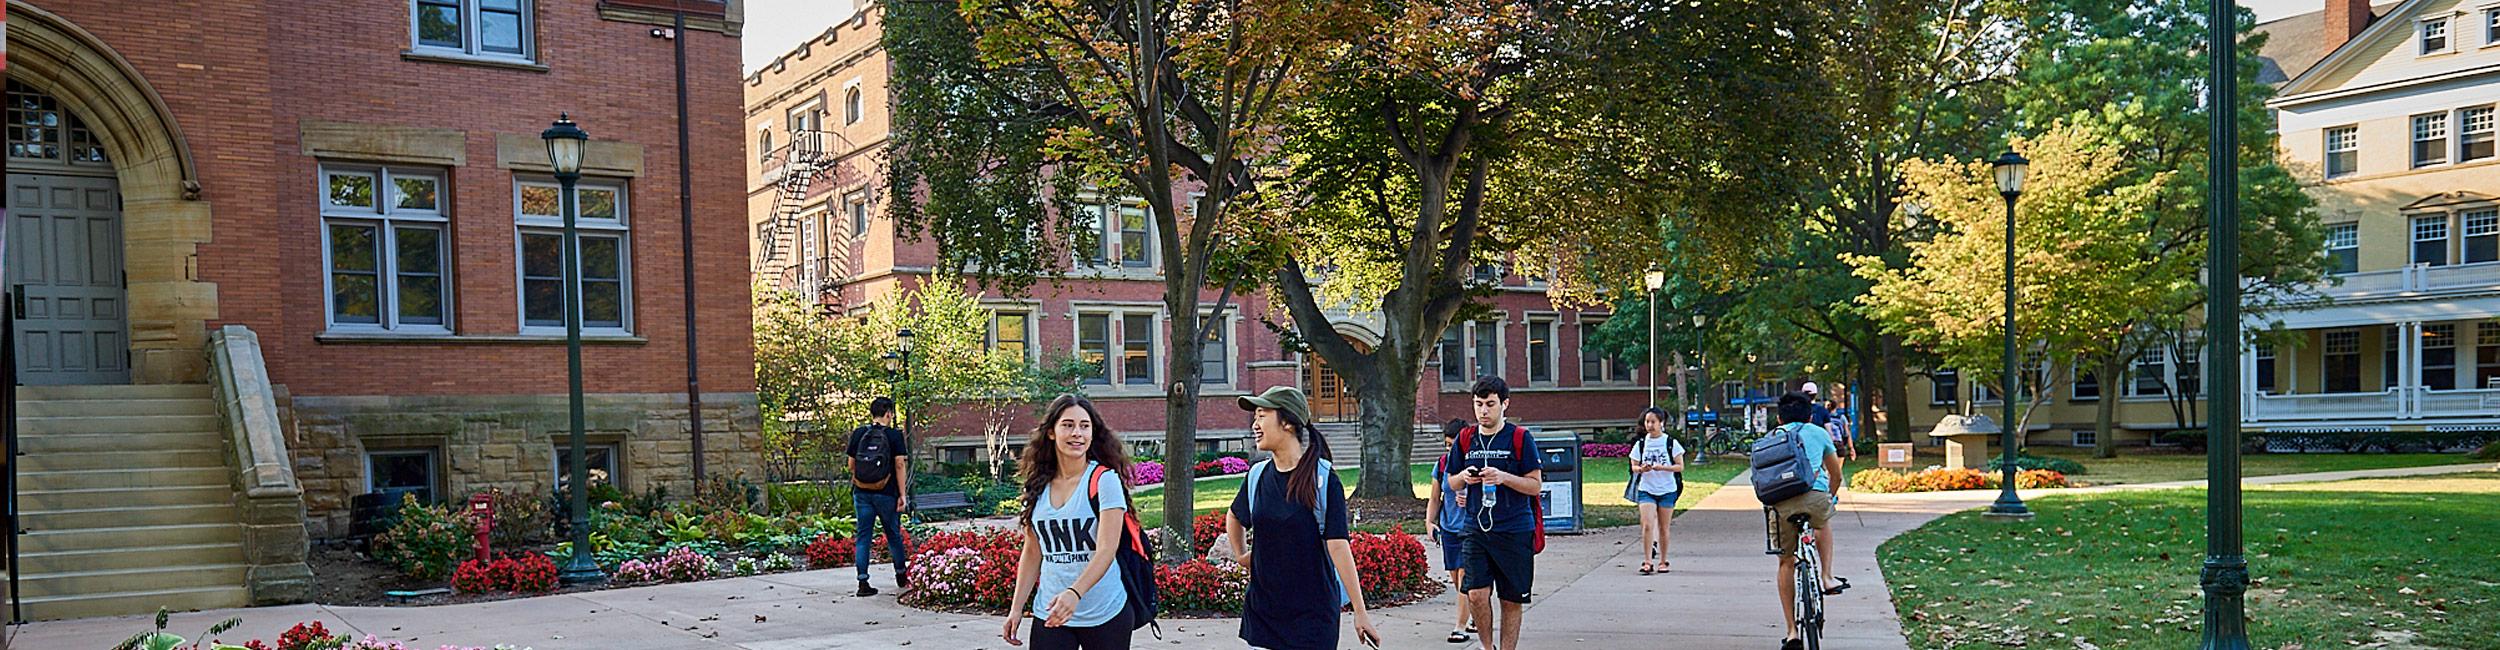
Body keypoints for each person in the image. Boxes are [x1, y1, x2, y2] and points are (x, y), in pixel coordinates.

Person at [1225, 386, 1382, 650]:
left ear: (1287, 422)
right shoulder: (1257, 476)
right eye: (1255, 417)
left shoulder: (1322, 479)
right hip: (1264, 613)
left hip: (1312, 616)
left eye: (1262, 415)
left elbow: (1338, 546)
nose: (1255, 424)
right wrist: (1242, 556)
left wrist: (1360, 611)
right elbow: (1235, 516)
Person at [1000, 395, 1135, 649]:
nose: (1077, 433)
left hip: (1104, 612)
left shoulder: (1104, 480)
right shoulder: (1038, 485)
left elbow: (1106, 550)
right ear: (1051, 432)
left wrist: (1074, 593)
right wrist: (1016, 608)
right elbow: (1032, 551)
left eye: (1085, 426)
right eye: (1068, 425)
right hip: (1050, 613)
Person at [1442, 377, 1542, 650]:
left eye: (1490, 404)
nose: (1483, 411)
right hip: (1476, 527)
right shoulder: (1466, 439)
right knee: (1475, 594)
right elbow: (1450, 482)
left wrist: (1503, 477)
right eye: (1478, 404)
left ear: (1504, 404)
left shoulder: (1520, 438)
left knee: (1511, 599)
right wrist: (1464, 477)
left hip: (1513, 528)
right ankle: (1488, 647)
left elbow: (1534, 485)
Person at [1769, 391, 1848, 650]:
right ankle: (1826, 576)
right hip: (1815, 496)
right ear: (1810, 416)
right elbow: (1835, 475)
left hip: (1781, 503)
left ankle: (1791, 631)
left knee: (1785, 562)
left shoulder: (1772, 437)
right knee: (1823, 521)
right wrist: (1831, 497)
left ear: (1779, 418)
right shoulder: (1818, 433)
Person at [847, 396, 910, 597]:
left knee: (863, 536)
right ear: (889, 413)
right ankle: (901, 574)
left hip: (862, 493)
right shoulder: (894, 436)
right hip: (887, 493)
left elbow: (850, 465)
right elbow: (899, 465)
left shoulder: (858, 433)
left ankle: (863, 581)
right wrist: (902, 494)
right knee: (893, 535)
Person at [1425, 418, 1477, 643]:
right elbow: (1435, 497)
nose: (1449, 449)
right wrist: (1429, 522)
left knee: (1465, 578)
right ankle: (1477, 615)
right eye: (1447, 444)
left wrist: (1474, 497)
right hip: (1448, 528)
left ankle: (1460, 627)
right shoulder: (1443, 464)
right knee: (1457, 579)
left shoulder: (1474, 464)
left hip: (1471, 528)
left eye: (1453, 445)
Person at [1626, 407, 1685, 575]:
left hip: (1667, 489)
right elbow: (1633, 466)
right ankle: (1647, 561)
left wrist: (1663, 467)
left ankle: (1663, 560)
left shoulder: (1670, 443)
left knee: (1663, 527)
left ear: (1661, 423)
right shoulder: (1641, 444)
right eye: (1647, 422)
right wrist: (1641, 469)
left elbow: (1680, 466)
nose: (1650, 425)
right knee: (1646, 525)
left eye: (1653, 422)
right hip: (1647, 489)